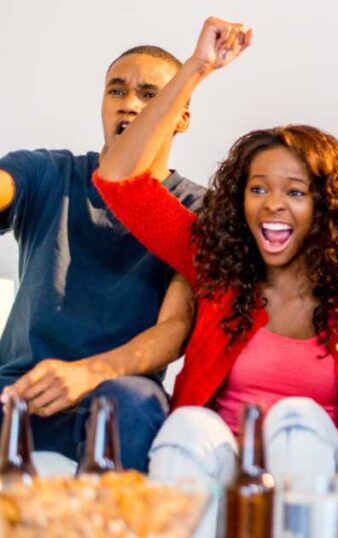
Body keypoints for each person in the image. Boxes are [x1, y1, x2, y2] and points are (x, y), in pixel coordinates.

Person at [93, 17, 338, 491]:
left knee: (298, 421)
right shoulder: (220, 265)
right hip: (221, 467)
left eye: (296, 192)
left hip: (317, 473)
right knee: (186, 426)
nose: (273, 204)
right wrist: (197, 68)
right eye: (258, 188)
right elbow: (119, 180)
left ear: (325, 206)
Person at [0, 41, 205, 471]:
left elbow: (176, 327)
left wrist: (90, 373)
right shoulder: (48, 173)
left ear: (181, 116)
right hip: (15, 389)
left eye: (150, 95)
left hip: (116, 390)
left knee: (131, 404)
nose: (129, 105)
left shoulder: (201, 210)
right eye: (117, 91)